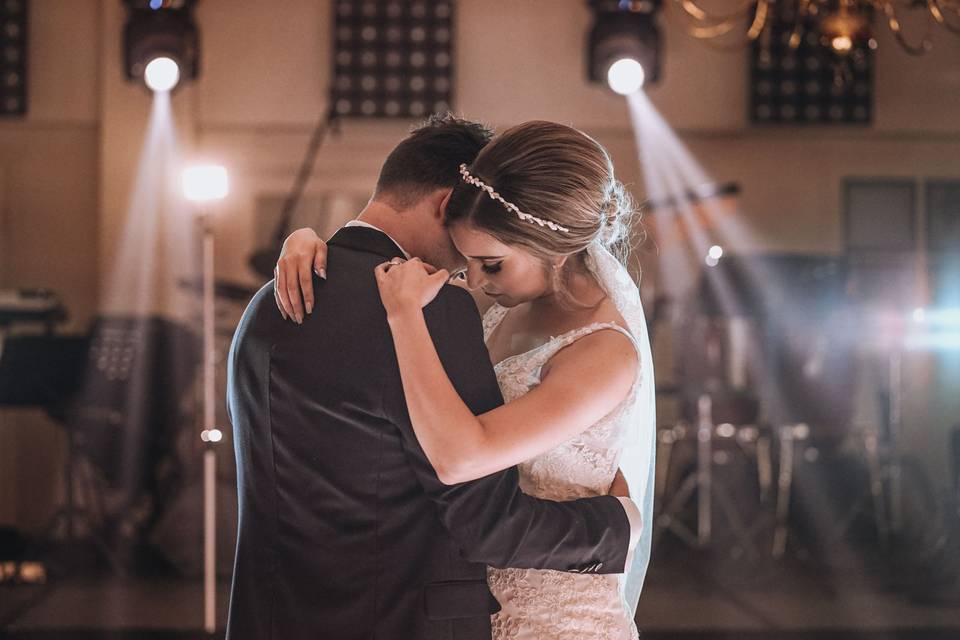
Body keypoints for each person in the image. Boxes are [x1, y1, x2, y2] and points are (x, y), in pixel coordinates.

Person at [227, 114, 642, 640]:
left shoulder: (271, 299)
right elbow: (482, 514)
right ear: (452, 204)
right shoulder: (434, 312)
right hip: (398, 617)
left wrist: (306, 237)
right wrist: (616, 527)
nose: (469, 275)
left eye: (488, 261)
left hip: (270, 616)